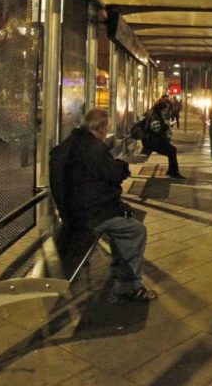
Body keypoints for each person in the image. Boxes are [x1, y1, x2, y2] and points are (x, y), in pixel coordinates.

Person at [52, 108, 156, 302]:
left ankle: (120, 270)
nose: (105, 133)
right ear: (99, 128)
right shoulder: (91, 148)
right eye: (105, 128)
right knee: (135, 230)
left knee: (124, 215)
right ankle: (128, 285)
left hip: (71, 213)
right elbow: (114, 173)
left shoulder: (69, 145)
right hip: (88, 217)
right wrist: (123, 167)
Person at [141, 98, 183, 179]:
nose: (166, 112)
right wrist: (165, 129)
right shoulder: (155, 116)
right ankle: (173, 172)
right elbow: (156, 129)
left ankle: (172, 171)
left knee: (172, 150)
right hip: (152, 142)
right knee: (172, 151)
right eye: (165, 110)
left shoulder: (153, 112)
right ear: (161, 108)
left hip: (150, 140)